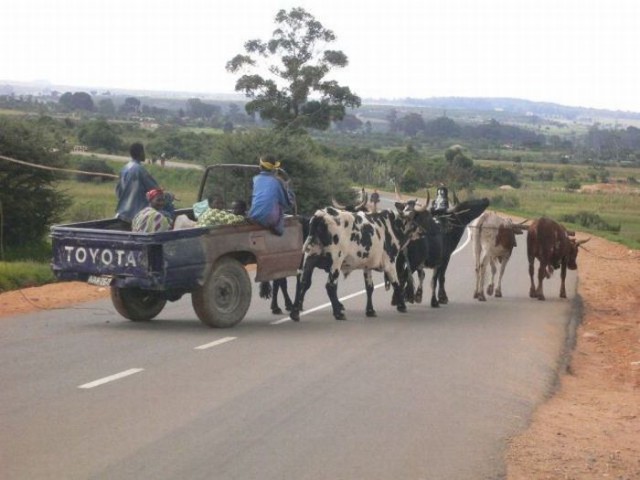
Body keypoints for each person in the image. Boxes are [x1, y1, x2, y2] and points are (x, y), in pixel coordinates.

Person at [115, 142, 159, 230]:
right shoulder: (140, 170)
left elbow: (118, 192)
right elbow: (155, 190)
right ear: (140, 153)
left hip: (122, 213)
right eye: (143, 151)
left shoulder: (125, 168)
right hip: (136, 216)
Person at [248, 155, 294, 235]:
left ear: (260, 167)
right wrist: (288, 189)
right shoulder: (277, 181)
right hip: (269, 219)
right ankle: (278, 230)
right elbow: (287, 204)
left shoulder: (255, 179)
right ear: (274, 168)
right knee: (281, 204)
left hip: (253, 216)